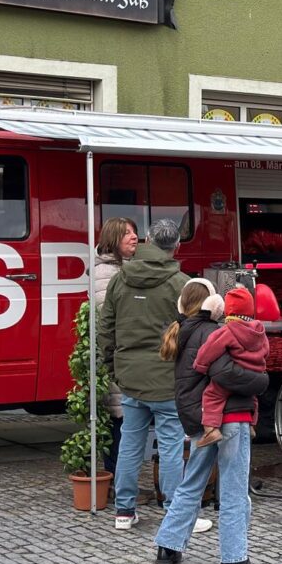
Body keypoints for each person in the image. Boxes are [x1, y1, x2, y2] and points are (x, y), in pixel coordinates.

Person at [154, 280, 268, 564]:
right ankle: (233, 557)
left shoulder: (184, 332)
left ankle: (168, 547)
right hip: (231, 417)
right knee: (233, 488)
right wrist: (262, 382)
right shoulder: (216, 332)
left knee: (191, 483)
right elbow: (225, 373)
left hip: (200, 421)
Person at [100, 218, 191, 531]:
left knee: (129, 443)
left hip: (130, 377)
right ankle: (172, 512)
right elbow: (195, 335)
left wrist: (114, 367)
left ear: (148, 241)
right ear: (176, 246)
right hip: (166, 378)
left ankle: (124, 512)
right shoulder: (181, 284)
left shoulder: (120, 278)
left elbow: (106, 328)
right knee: (169, 446)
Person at [191, 287, 269, 447]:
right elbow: (266, 351)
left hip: (233, 376)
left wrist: (200, 365)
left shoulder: (228, 331)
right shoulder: (260, 331)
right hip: (254, 373)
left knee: (212, 395)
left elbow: (209, 350)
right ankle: (252, 426)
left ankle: (211, 430)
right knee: (253, 398)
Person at [92, 217, 139, 476]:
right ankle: (117, 482)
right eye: (127, 233)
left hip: (124, 357)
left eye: (135, 232)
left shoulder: (124, 268)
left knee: (123, 418)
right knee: (118, 419)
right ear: (113, 239)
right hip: (117, 358)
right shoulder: (106, 274)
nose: (134, 237)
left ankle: (120, 481)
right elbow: (109, 320)